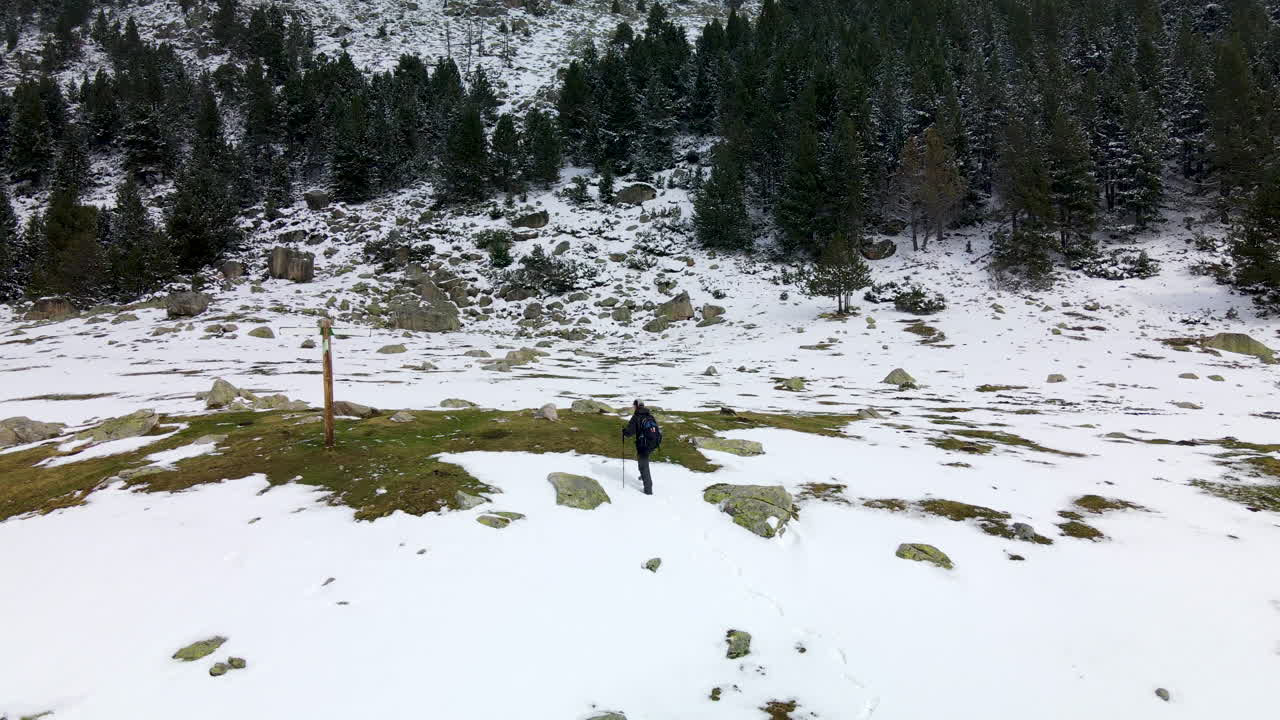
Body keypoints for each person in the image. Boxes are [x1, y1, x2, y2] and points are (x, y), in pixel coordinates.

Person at [622, 399, 660, 495]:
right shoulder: (650, 416)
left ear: (636, 406)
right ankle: (643, 476)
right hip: (654, 442)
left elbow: (629, 433)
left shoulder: (636, 417)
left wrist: (623, 431)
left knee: (643, 464)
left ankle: (648, 490)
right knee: (642, 461)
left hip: (643, 444)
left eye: (634, 405)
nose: (633, 407)